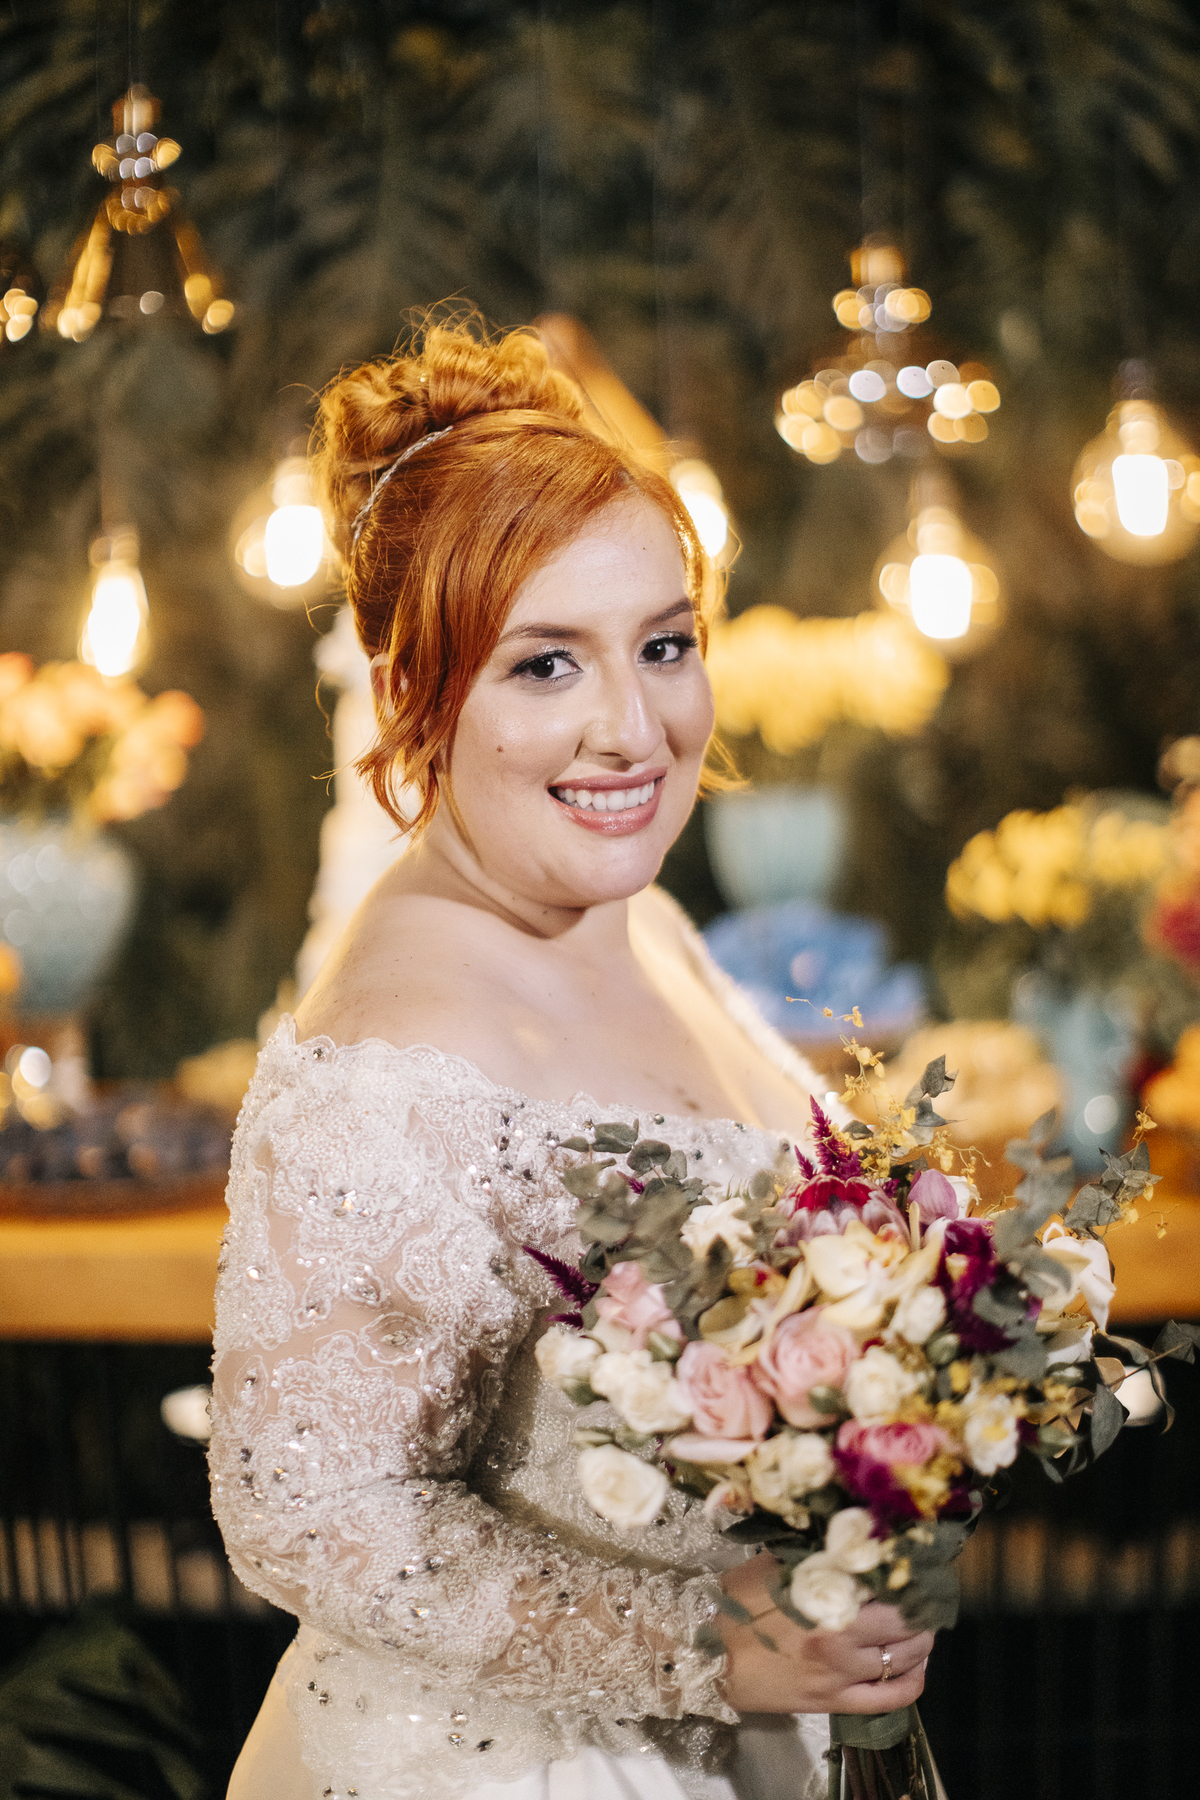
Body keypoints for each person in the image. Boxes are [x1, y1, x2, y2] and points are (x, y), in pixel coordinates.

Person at [209, 318, 934, 1800]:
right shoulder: (393, 1060)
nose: (633, 729)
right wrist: (706, 1648)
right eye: (545, 665)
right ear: (412, 693)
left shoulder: (638, 916)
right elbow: (312, 1512)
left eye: (664, 646)